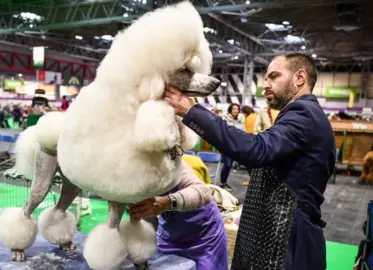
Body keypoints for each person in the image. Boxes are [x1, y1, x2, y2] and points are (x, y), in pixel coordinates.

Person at [164, 53, 336, 270]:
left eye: (273, 77)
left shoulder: (303, 114)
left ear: (299, 78)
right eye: (265, 78)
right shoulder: (301, 115)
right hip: (276, 237)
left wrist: (191, 111)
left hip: (287, 243)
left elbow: (256, 150)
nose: (265, 85)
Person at [127, 161, 228, 270]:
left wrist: (167, 202)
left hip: (203, 234)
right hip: (169, 231)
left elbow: (204, 192)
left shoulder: (168, 157)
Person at [220, 103, 244, 189]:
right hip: (226, 145)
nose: (235, 111)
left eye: (237, 109)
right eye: (234, 109)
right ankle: (223, 183)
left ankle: (224, 182)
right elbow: (222, 131)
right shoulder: (225, 119)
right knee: (227, 164)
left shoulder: (241, 119)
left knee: (229, 165)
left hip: (236, 146)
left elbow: (242, 131)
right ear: (230, 110)